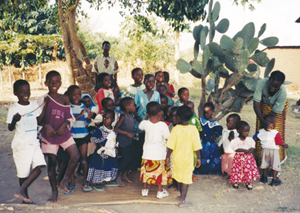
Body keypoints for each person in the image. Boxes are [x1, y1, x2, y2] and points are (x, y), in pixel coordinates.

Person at [38, 70, 79, 202]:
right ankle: (54, 191)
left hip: (63, 133)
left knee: (75, 156)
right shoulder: (43, 99)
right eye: (51, 82)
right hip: (49, 136)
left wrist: (64, 124)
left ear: (61, 83)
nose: (54, 84)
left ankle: (65, 180)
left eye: (57, 82)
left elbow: (70, 117)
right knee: (52, 164)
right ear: (46, 83)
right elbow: (38, 120)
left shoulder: (65, 98)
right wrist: (46, 125)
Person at [7, 80, 47, 204]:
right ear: (15, 93)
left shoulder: (34, 104)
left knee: (40, 166)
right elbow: (10, 128)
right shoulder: (14, 108)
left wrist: (44, 106)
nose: (26, 93)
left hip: (33, 142)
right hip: (21, 144)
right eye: (22, 91)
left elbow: (39, 119)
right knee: (23, 173)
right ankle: (25, 199)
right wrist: (14, 120)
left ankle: (22, 190)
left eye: (27, 91)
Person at [166, 105, 202, 207]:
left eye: (176, 116)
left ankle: (181, 196)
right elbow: (197, 146)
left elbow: (170, 146)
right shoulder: (193, 129)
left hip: (177, 159)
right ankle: (182, 200)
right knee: (185, 179)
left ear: (180, 117)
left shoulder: (175, 129)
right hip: (187, 159)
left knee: (179, 178)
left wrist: (167, 157)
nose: (174, 118)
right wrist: (199, 158)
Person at [253, 71, 288, 166]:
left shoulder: (283, 92)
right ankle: (260, 159)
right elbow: (256, 103)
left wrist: (267, 122)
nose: (272, 89)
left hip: (276, 112)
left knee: (274, 133)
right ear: (269, 80)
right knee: (261, 132)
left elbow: (273, 113)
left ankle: (276, 161)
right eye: (271, 85)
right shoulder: (261, 83)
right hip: (262, 105)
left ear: (281, 85)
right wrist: (262, 120)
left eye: (276, 87)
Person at [139, 102, 172, 198]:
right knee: (159, 173)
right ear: (159, 113)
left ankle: (145, 190)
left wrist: (146, 117)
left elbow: (140, 126)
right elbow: (167, 138)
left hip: (147, 153)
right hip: (159, 154)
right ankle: (160, 192)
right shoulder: (163, 125)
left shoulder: (145, 123)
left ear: (147, 113)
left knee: (146, 172)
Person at [67, 85, 93, 192]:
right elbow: (69, 122)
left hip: (83, 136)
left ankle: (85, 181)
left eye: (79, 95)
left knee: (83, 159)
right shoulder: (68, 108)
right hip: (71, 138)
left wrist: (89, 117)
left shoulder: (84, 107)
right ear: (69, 96)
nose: (77, 97)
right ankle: (72, 182)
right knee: (73, 160)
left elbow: (86, 122)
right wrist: (80, 115)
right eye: (74, 95)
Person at [86, 109, 118, 191]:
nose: (105, 120)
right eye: (104, 118)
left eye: (108, 118)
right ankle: (97, 182)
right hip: (101, 153)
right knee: (99, 166)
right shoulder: (100, 129)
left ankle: (107, 180)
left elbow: (114, 140)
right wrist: (100, 145)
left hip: (110, 153)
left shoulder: (113, 130)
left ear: (113, 120)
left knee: (108, 166)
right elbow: (95, 138)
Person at [253, 114, 288, 186]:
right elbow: (279, 142)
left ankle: (264, 177)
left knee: (265, 163)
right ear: (271, 124)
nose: (275, 125)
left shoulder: (260, 131)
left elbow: (255, 138)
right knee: (275, 165)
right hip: (273, 151)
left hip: (264, 150)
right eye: (275, 123)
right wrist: (284, 145)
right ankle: (274, 179)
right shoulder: (275, 133)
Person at [134, 74, 160, 168]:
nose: (151, 83)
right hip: (140, 123)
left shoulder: (156, 94)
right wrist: (136, 116)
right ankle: (139, 164)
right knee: (140, 143)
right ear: (144, 82)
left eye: (153, 82)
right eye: (149, 81)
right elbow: (134, 108)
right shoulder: (139, 94)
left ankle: (148, 164)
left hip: (152, 123)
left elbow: (158, 108)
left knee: (150, 143)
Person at [229, 121, 260, 190]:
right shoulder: (236, 140)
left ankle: (248, 182)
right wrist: (244, 150)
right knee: (238, 170)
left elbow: (252, 145)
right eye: (245, 131)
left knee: (247, 170)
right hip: (239, 158)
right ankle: (236, 181)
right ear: (238, 131)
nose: (247, 133)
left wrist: (251, 150)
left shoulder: (249, 139)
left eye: (248, 131)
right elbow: (235, 148)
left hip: (248, 159)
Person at [194, 102, 223, 174]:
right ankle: (201, 169)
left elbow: (219, 130)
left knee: (212, 156)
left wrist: (215, 135)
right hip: (202, 143)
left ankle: (212, 170)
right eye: (204, 113)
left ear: (212, 112)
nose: (206, 114)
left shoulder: (215, 123)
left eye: (208, 113)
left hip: (211, 144)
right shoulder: (201, 121)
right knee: (202, 155)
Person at [114, 97, 136, 186]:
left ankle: (125, 174)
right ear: (127, 107)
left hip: (129, 142)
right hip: (123, 142)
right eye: (133, 105)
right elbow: (116, 128)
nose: (134, 107)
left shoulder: (130, 115)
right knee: (126, 158)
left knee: (132, 157)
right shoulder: (123, 116)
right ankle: (118, 176)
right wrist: (126, 133)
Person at [184, 100, 202, 182]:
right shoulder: (182, 119)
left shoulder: (195, 119)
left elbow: (199, 130)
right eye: (187, 108)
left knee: (193, 158)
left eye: (191, 108)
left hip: (192, 143)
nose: (190, 110)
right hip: (184, 143)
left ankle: (191, 173)